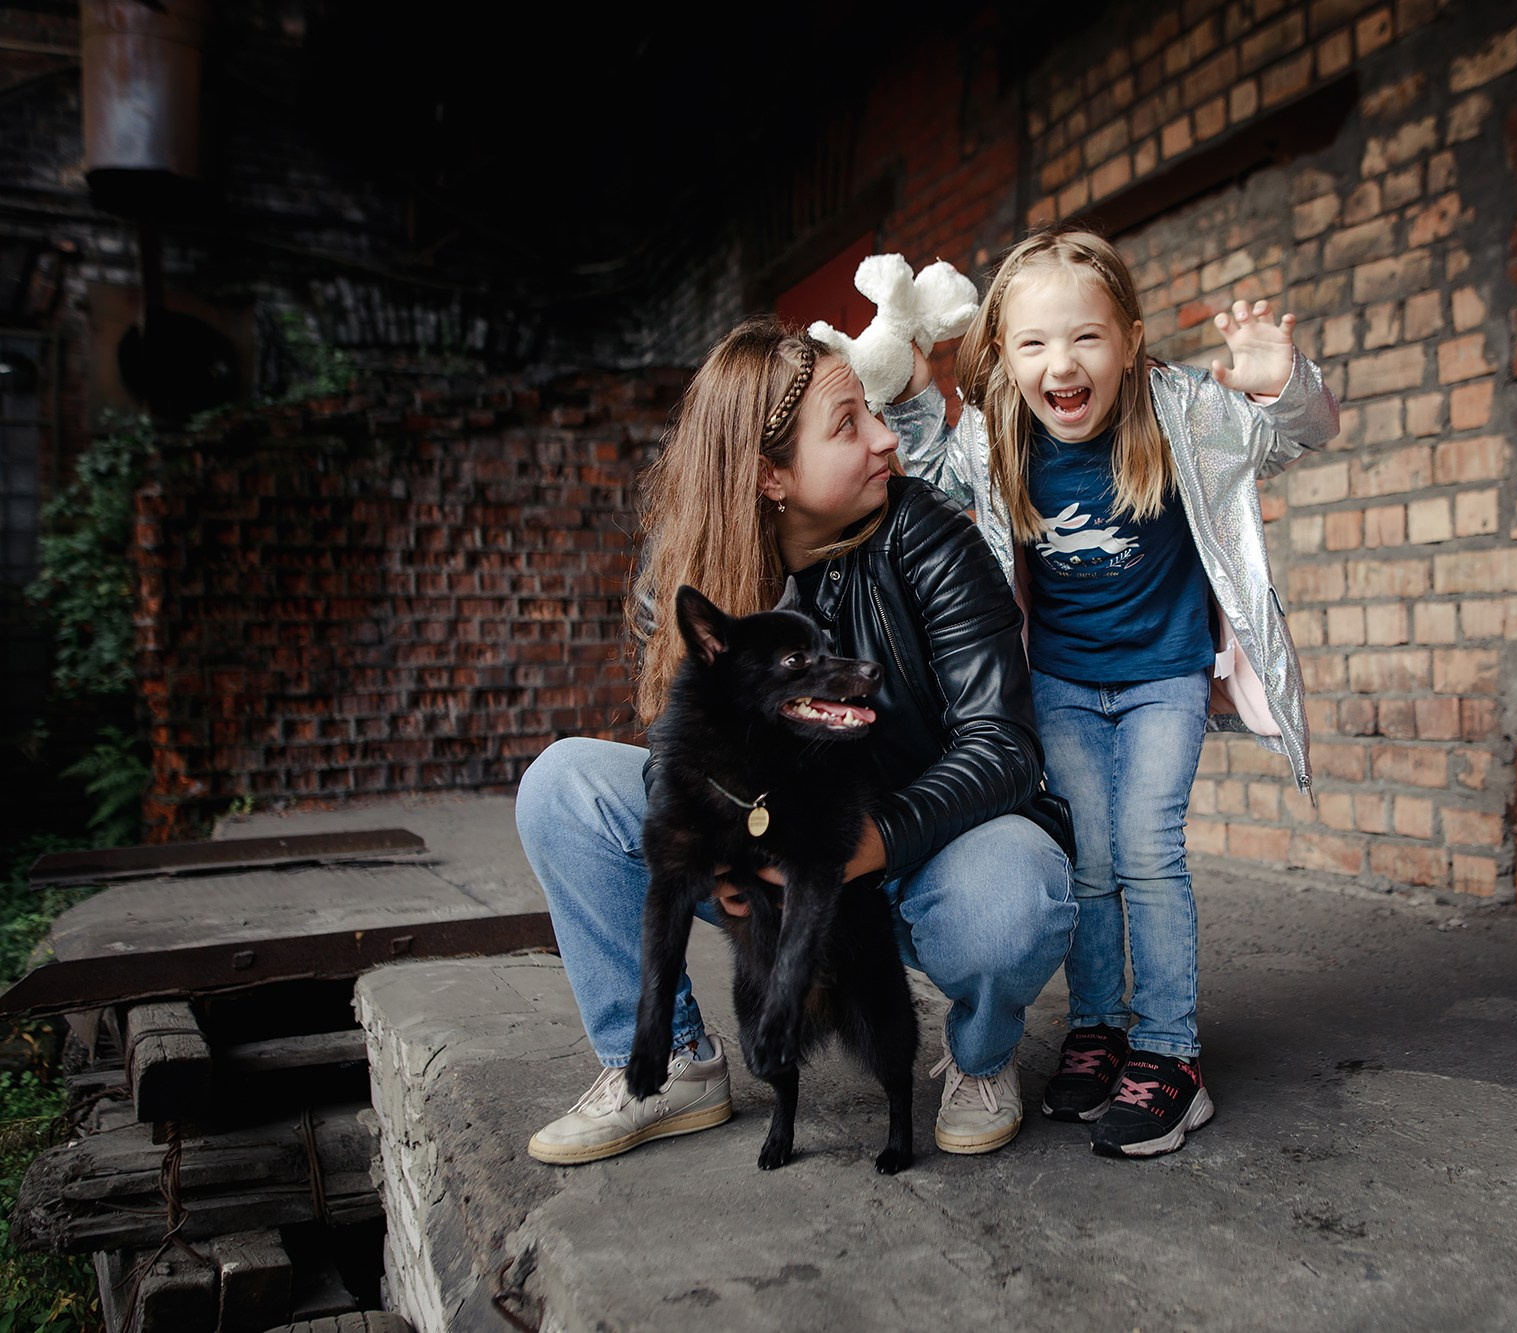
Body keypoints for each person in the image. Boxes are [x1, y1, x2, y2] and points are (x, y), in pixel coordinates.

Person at [515, 318, 1076, 1165]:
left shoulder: (929, 539)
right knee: (563, 784)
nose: (888, 438)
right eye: (849, 423)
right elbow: (681, 745)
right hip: (778, 868)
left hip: (922, 860)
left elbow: (1003, 746)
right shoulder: (686, 576)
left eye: (873, 414)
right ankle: (671, 1066)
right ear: (769, 476)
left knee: (1018, 890)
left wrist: (869, 842)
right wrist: (724, 852)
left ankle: (982, 1055)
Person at [887, 228, 1340, 1158]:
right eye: (1033, 344)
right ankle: (1097, 1029)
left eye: (1087, 338)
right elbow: (922, 471)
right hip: (1059, 679)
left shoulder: (1185, 414)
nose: (1063, 363)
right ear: (1004, 357)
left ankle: (1171, 1053)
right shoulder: (996, 433)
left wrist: (1280, 378)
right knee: (1089, 855)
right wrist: (899, 386)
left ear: (1130, 340)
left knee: (1147, 848)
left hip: (1164, 675)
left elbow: (1299, 433)